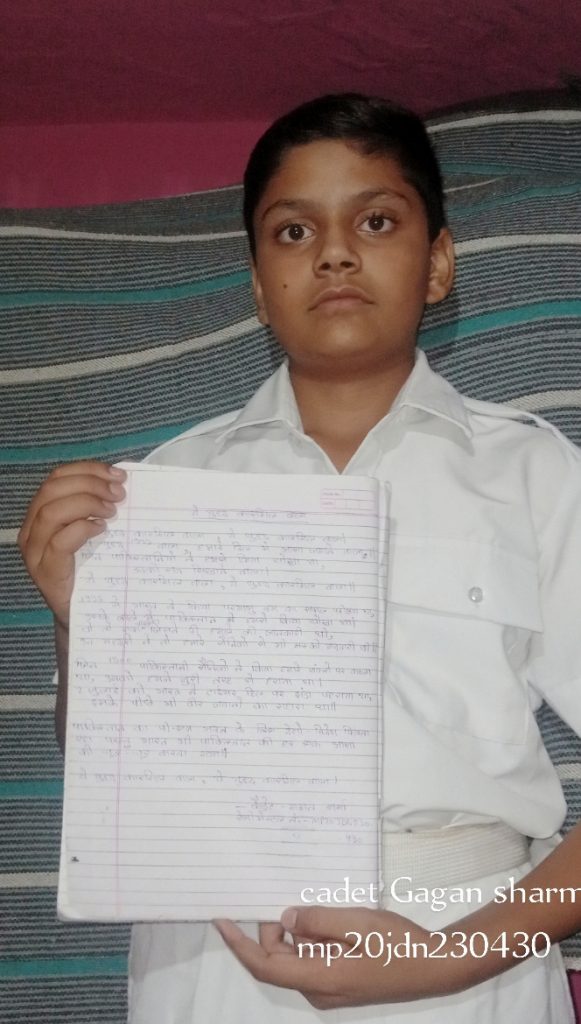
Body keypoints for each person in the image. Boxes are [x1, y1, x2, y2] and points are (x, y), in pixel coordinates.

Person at [18, 93, 581, 1023]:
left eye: (376, 220)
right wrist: (78, 620)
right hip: (216, 958)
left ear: (438, 262)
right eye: (292, 231)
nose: (333, 253)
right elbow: (112, 771)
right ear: (255, 283)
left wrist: (443, 960)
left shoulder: (535, 474)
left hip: (466, 949)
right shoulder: (160, 488)